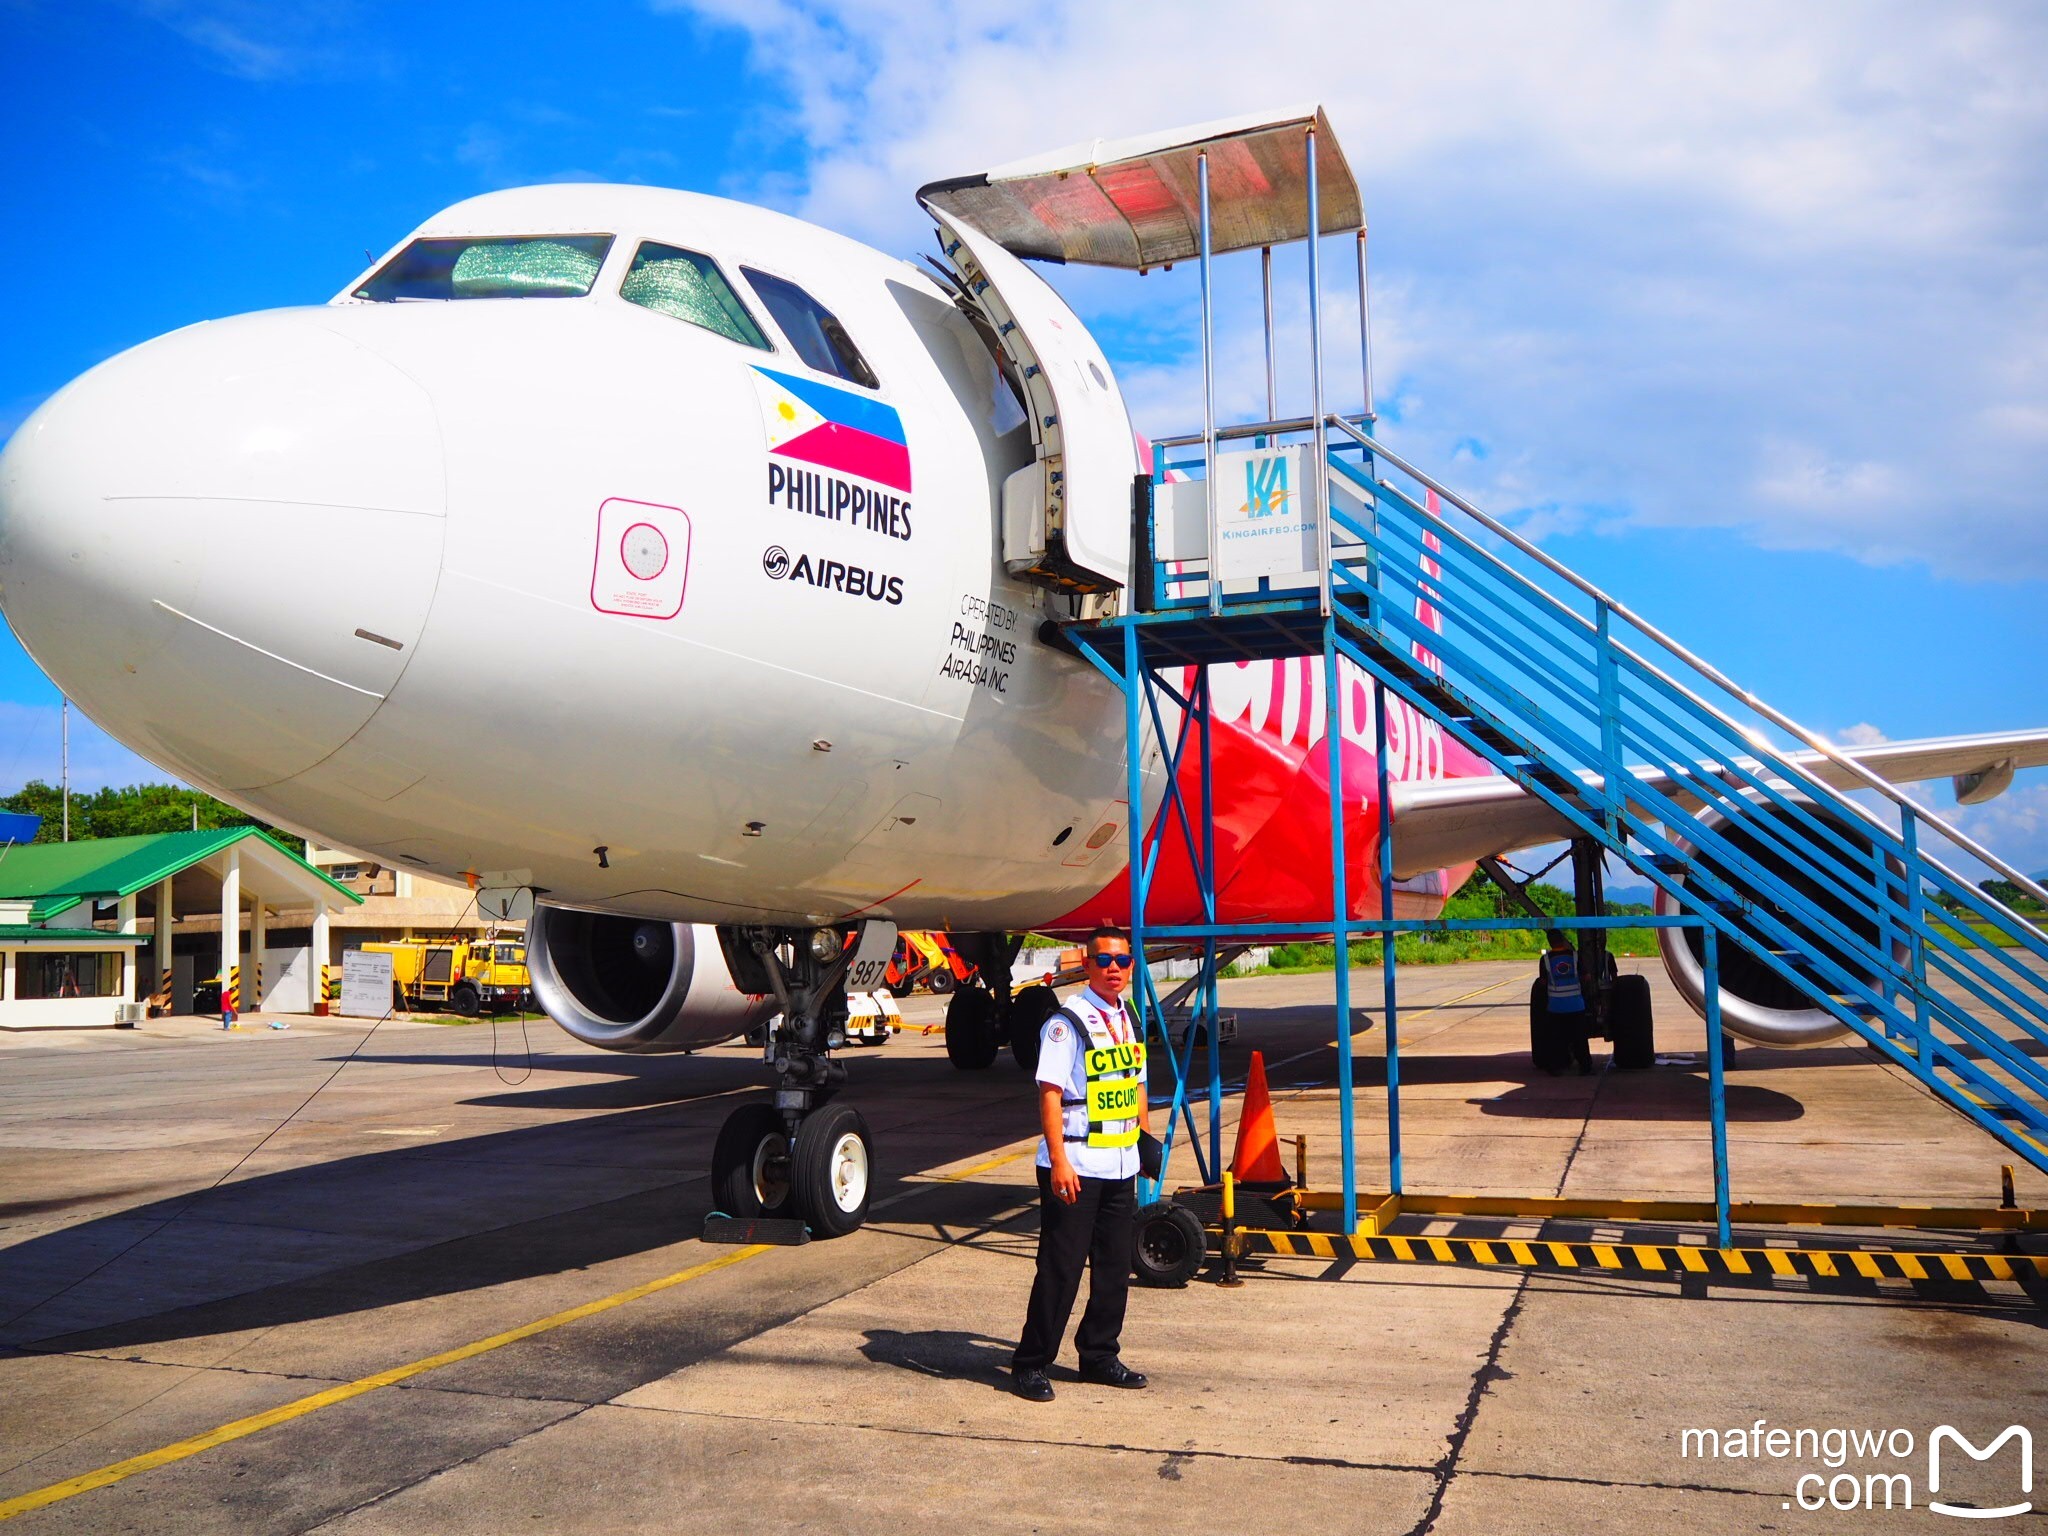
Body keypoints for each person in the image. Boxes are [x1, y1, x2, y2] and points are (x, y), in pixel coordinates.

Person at [1011, 925, 1151, 1402]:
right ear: (1087, 965)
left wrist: (1143, 1142)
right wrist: (1059, 1163)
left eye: (1123, 961)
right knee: (1061, 1266)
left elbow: (1135, 1084)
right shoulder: (1065, 1022)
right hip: (1076, 1161)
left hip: (1119, 1161)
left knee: (1114, 1267)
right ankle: (1031, 1363)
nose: (1115, 968)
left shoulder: (1128, 1015)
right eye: (1105, 960)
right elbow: (1049, 1093)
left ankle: (1098, 1355)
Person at [1538, 930, 1593, 1076]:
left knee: (1556, 1039)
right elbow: (1586, 977)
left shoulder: (1545, 960)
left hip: (1556, 1006)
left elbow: (1543, 982)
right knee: (1580, 1038)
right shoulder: (1574, 956)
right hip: (1576, 1004)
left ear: (1549, 942)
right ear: (1563, 940)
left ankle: (1556, 1067)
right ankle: (1585, 1067)